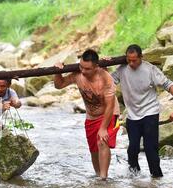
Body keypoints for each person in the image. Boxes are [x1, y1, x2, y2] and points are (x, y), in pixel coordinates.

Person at [54, 49, 120, 180]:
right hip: (91, 116)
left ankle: (103, 177)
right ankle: (97, 175)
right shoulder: (78, 74)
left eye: (87, 69)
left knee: (102, 141)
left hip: (109, 113)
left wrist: (102, 128)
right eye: (81, 67)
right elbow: (59, 85)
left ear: (96, 66)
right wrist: (57, 71)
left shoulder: (105, 79)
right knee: (94, 149)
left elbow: (110, 105)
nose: (83, 71)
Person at [111, 44, 173, 178]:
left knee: (150, 148)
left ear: (141, 57)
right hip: (133, 115)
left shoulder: (150, 69)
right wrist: (104, 65)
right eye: (129, 60)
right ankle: (135, 179)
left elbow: (168, 85)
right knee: (132, 149)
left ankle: (157, 178)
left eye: (134, 60)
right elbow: (107, 82)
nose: (131, 63)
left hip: (150, 112)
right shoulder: (122, 70)